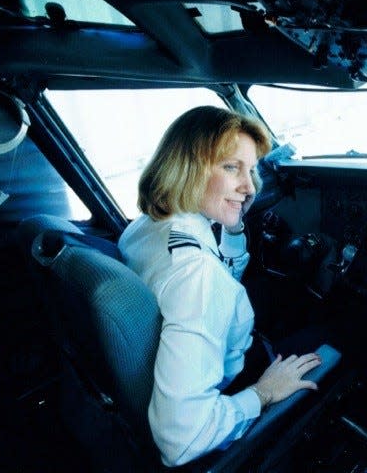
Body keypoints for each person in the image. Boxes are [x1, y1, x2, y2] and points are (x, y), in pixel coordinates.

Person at [118, 106, 322, 467]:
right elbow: (180, 440)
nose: (249, 187)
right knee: (336, 336)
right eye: (232, 168)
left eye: (251, 169)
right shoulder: (198, 277)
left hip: (191, 357)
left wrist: (234, 224)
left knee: (280, 295)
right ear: (188, 169)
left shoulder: (149, 226)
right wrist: (262, 393)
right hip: (232, 384)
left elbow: (221, 274)